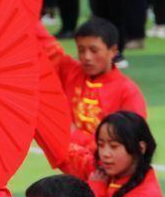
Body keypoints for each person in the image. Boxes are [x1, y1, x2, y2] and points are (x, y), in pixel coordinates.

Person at [50, 17, 147, 152]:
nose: (87, 57)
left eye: (94, 50)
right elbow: (44, 44)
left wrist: (74, 135)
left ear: (113, 51)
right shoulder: (71, 72)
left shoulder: (128, 91)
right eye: (81, 50)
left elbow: (129, 143)